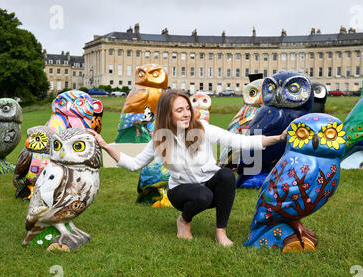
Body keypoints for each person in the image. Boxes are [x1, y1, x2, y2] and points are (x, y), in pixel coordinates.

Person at [90, 90, 287, 247]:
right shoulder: (160, 137)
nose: (186, 114)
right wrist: (106, 146)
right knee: (202, 195)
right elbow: (134, 164)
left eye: (187, 108)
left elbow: (240, 141)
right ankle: (183, 221)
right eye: (179, 110)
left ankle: (221, 232)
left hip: (208, 186)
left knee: (227, 175)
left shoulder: (202, 128)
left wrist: (278, 138)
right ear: (168, 114)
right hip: (181, 192)